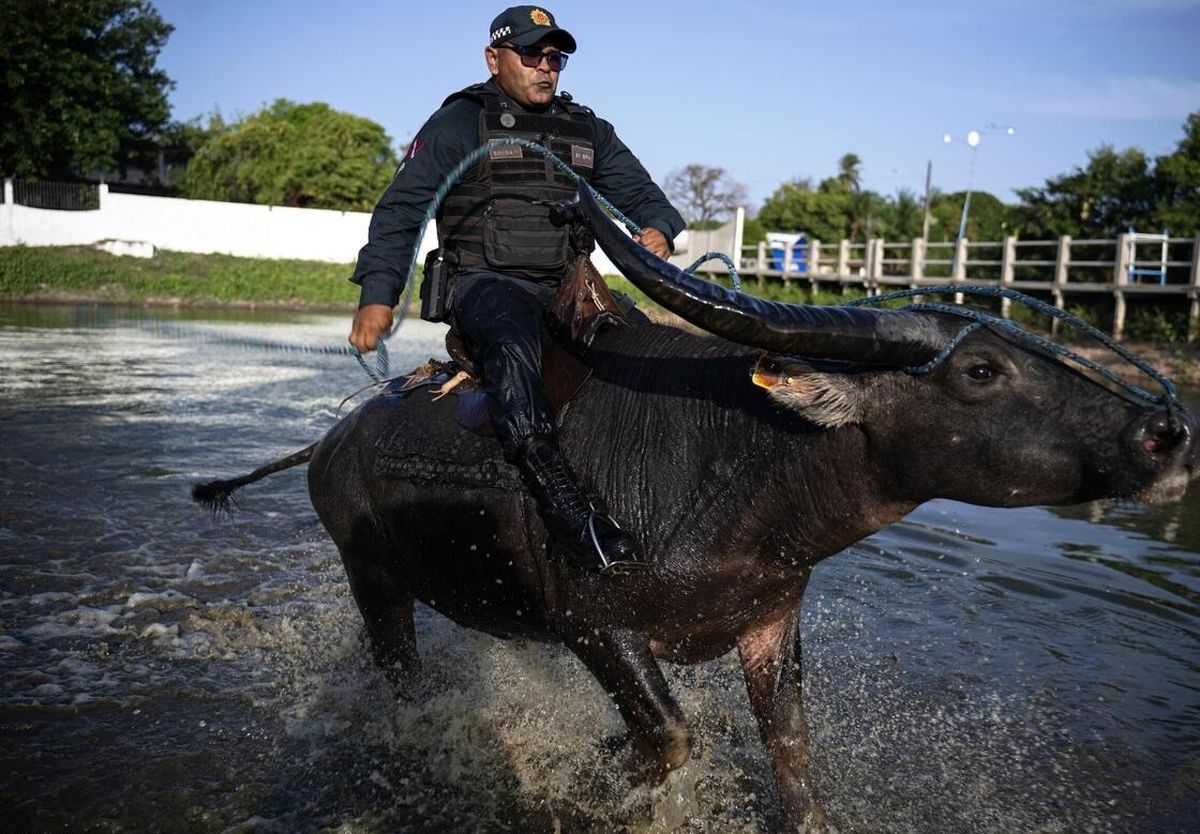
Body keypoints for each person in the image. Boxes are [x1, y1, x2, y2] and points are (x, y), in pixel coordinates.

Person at [347, 6, 684, 575]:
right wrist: (378, 295)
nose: (546, 67)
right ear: (494, 59)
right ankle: (567, 512)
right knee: (513, 347)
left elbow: (646, 195)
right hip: (487, 285)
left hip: (571, 289)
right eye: (532, 54)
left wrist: (658, 228)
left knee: (656, 357)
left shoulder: (587, 129)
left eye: (555, 57)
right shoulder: (459, 122)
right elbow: (401, 209)